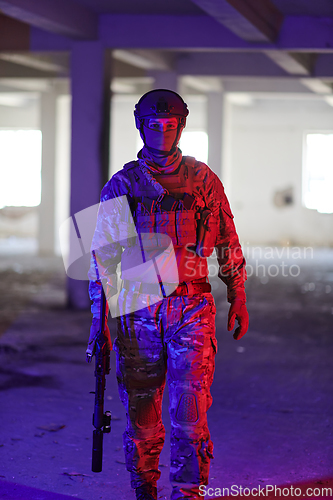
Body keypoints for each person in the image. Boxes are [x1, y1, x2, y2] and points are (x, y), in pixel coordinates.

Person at [87, 89, 249, 500]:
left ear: (180, 128)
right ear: (141, 128)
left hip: (192, 308)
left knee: (189, 413)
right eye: (154, 126)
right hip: (137, 312)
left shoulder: (203, 180)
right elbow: (103, 259)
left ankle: (188, 492)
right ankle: (145, 489)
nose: (162, 133)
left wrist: (238, 295)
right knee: (143, 416)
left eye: (170, 126)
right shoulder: (122, 184)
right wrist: (97, 320)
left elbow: (228, 240)